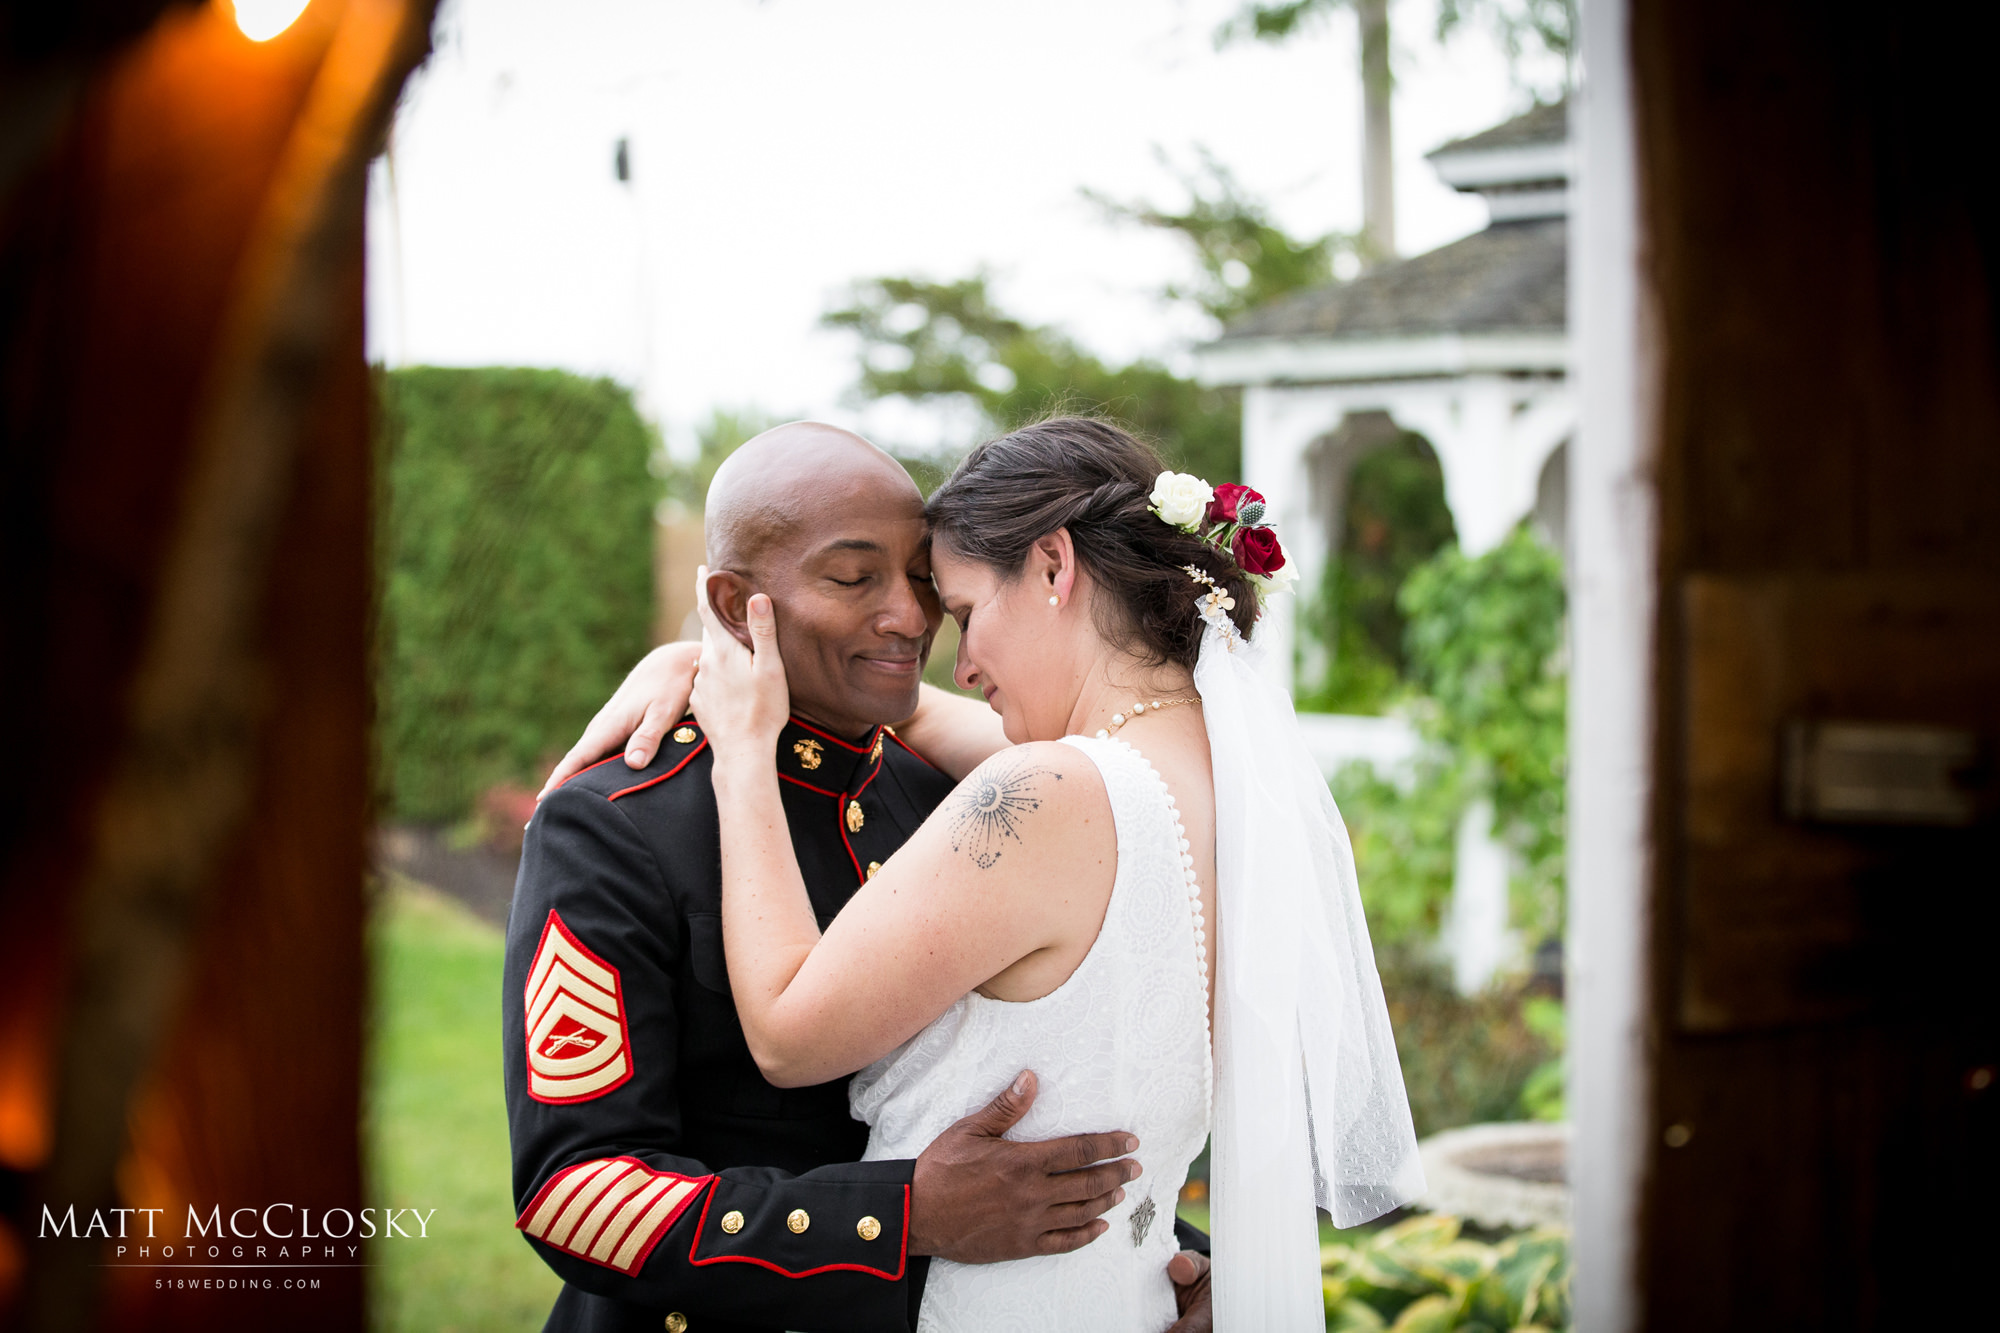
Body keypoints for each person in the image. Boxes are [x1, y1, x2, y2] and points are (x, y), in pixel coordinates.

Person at [569, 417, 1424, 1329]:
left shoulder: (1050, 794)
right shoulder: (1228, 784)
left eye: (969, 612)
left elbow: (786, 1033)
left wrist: (742, 745)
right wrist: (720, 654)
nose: (963, 661)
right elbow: (952, 727)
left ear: (1054, 567)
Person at [507, 421, 1214, 1333]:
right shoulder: (621, 822)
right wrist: (897, 1215)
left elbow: (1036, 1085)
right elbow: (575, 1190)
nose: (913, 617)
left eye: (925, 578)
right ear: (734, 604)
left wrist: (1158, 1256)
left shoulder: (953, 800)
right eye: (854, 578)